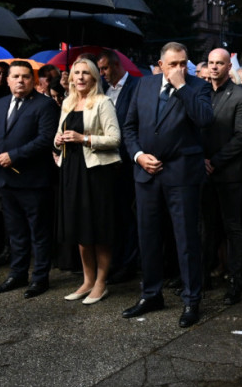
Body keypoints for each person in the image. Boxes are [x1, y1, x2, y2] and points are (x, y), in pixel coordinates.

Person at [121, 42, 214, 326]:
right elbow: (129, 127)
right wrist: (138, 156)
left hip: (182, 174)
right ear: (160, 65)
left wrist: (182, 86)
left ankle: (191, 300)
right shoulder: (144, 85)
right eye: (173, 64)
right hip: (147, 173)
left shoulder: (198, 87)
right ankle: (151, 294)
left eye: (183, 63)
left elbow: (204, 119)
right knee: (148, 236)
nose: (179, 69)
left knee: (186, 239)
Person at [0, 61, 57, 298]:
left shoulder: (45, 105)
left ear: (32, 80)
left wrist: (14, 155)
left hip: (34, 181)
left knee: (39, 233)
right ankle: (17, 274)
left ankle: (40, 278)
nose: (20, 81)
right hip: (5, 180)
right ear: (6, 79)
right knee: (15, 233)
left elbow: (46, 139)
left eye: (25, 77)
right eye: (15, 76)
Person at [54, 58, 121, 305]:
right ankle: (87, 280)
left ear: (94, 78)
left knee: (98, 229)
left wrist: (84, 138)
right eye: (76, 73)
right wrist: (58, 141)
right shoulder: (68, 103)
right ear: (71, 78)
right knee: (80, 229)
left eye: (86, 73)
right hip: (71, 170)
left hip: (95, 173)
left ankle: (101, 283)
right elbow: (56, 137)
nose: (80, 77)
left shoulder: (103, 103)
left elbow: (115, 139)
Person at [201, 48, 242, 304]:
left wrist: (215, 162)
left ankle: (234, 281)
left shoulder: (241, 95)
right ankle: (203, 278)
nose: (214, 67)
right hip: (203, 173)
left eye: (219, 63)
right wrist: (201, 160)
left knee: (233, 228)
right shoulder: (201, 92)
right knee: (206, 228)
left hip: (229, 173)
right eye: (210, 63)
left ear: (227, 67)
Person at [97, 49, 140, 283]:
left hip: (127, 162)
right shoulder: (103, 90)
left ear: (115, 65)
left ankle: (129, 263)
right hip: (106, 163)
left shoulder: (136, 87)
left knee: (127, 215)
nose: (101, 73)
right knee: (112, 215)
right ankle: (114, 261)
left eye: (104, 68)